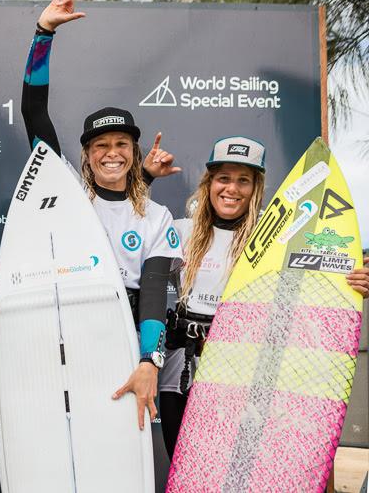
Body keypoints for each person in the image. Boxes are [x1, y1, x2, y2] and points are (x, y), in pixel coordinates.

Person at [22, 0, 183, 430]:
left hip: (128, 337)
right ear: (87, 154)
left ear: (132, 151)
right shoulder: (66, 195)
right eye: (100, 145)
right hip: (65, 337)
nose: (111, 153)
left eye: (121, 144)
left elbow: (153, 295)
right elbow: (34, 114)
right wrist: (44, 33)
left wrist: (149, 361)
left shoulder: (156, 216)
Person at [154, 136, 369, 459]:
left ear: (257, 187)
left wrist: (357, 279)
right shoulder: (180, 231)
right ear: (209, 182)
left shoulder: (276, 240)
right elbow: (130, 254)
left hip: (242, 377)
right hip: (179, 374)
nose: (232, 189)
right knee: (184, 470)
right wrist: (144, 178)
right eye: (223, 178)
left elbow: (324, 278)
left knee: (231, 471)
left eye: (244, 180)